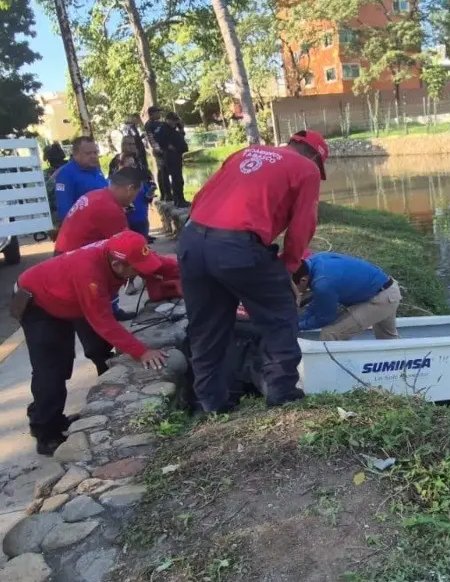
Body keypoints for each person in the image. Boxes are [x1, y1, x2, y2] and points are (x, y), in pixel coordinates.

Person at [178, 129, 329, 413]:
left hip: (191, 239)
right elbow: (303, 226)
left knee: (207, 326)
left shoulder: (243, 153)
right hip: (237, 247)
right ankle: (281, 391)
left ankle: (212, 403)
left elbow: (200, 198)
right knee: (280, 313)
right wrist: (289, 267)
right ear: (314, 158)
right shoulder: (306, 169)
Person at [14, 231, 179, 455]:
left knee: (63, 363)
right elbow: (103, 321)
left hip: (64, 298)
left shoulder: (123, 254)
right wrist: (141, 352)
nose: (142, 272)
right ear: (117, 264)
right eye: (136, 268)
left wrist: (194, 268)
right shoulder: (90, 274)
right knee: (50, 369)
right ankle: (45, 433)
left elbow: (158, 265)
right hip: (39, 303)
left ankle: (50, 417)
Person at [293, 252, 402, 340]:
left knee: (330, 333)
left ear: (303, 280)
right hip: (388, 289)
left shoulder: (323, 283)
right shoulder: (315, 260)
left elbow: (325, 318)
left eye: (294, 288)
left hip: (380, 299)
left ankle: (329, 367)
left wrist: (296, 326)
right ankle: (403, 364)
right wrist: (295, 321)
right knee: (388, 339)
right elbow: (317, 306)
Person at [53, 166, 146, 254]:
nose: (134, 199)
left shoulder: (94, 195)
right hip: (73, 259)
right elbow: (130, 246)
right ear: (130, 189)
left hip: (63, 254)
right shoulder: (110, 209)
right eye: (136, 194)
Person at [52, 136, 106, 222]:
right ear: (75, 154)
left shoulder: (95, 169)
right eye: (88, 153)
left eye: (95, 153)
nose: (93, 156)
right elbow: (65, 213)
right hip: (85, 226)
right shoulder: (65, 175)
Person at [153, 112, 189, 207]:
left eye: (176, 120)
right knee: (177, 179)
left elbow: (181, 136)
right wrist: (166, 146)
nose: (175, 122)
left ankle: (179, 199)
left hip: (177, 155)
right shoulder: (163, 128)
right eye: (173, 120)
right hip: (171, 155)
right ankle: (179, 200)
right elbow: (156, 136)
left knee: (178, 179)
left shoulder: (173, 129)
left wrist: (181, 127)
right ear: (167, 120)